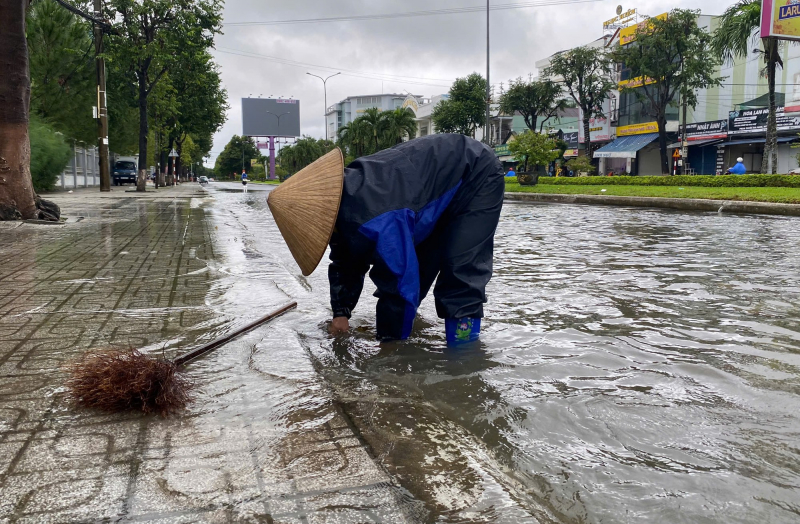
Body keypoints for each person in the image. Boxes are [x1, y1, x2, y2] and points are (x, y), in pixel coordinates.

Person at [267, 134, 505, 346]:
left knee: (459, 273)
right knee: (419, 273)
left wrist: (389, 349)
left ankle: (464, 360)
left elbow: (399, 284)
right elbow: (345, 260)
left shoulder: (377, 221)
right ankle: (409, 331)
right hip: (426, 193)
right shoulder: (339, 208)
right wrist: (341, 314)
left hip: (475, 173)